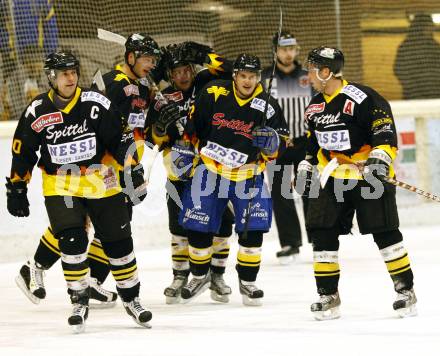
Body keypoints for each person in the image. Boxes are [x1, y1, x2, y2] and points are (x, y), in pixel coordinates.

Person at [6, 51, 152, 332]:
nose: (70, 78)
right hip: (61, 184)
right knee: (72, 240)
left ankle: (132, 300)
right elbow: (22, 150)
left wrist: (132, 169)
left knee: (119, 242)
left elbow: (120, 138)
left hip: (103, 181)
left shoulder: (96, 102)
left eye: (73, 72)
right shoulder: (38, 110)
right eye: (64, 74)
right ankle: (79, 301)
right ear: (52, 78)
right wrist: (17, 186)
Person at [297, 46, 417, 320]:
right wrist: (306, 163)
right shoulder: (315, 105)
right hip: (334, 177)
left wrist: (379, 158)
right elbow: (313, 141)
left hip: (367, 177)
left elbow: (384, 130)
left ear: (326, 72)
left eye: (313, 68)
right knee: (322, 232)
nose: (309, 74)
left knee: (385, 232)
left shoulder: (364, 97)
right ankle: (328, 295)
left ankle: (405, 290)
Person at [173, 53, 289, 306]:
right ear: (234, 76)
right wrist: (184, 150)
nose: (248, 81)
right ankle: (200, 276)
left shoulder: (267, 104)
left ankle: (247, 282)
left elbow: (283, 143)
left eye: (253, 76)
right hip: (210, 171)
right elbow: (194, 128)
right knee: (197, 226)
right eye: (243, 76)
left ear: (259, 78)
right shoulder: (213, 92)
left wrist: (272, 146)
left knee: (253, 229)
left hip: (248, 175)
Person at [146, 41, 235, 304]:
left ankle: (216, 276)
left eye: (187, 69)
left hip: (212, 170)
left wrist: (203, 53)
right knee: (179, 228)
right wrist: (161, 128)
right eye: (177, 72)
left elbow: (232, 70)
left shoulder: (208, 84)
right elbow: (153, 140)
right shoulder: (160, 98)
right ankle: (180, 276)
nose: (183, 75)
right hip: (178, 173)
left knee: (222, 224)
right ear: (170, 76)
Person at [262, 30, 314, 264]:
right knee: (281, 194)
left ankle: (318, 238)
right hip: (277, 145)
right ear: (275, 51)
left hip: (303, 142)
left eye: (292, 48)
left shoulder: (307, 76)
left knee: (309, 191)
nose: (288, 53)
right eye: (283, 49)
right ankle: (290, 243)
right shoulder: (264, 77)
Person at [394, 13, 440, 99]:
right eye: (429, 26)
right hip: (414, 94)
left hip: (434, 93)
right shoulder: (407, 47)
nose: (432, 29)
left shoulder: (434, 46)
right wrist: (411, 85)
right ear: (421, 27)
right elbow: (399, 69)